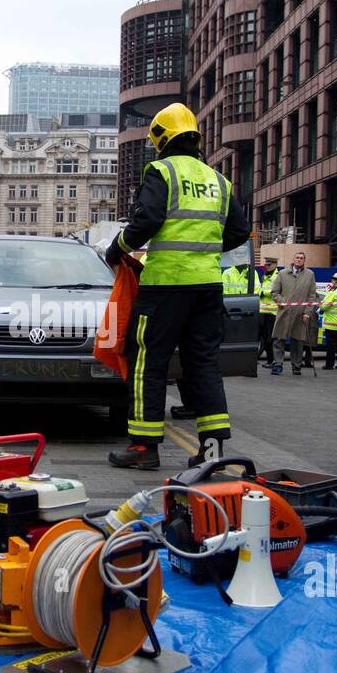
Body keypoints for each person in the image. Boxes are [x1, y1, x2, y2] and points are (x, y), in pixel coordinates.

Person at [104, 102, 248, 470]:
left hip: (165, 285)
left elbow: (146, 219)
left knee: (148, 363)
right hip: (207, 287)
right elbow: (239, 231)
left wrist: (117, 249)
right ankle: (212, 450)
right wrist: (205, 250)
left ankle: (144, 447)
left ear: (161, 138)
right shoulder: (219, 180)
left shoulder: (160, 171)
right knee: (203, 364)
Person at [270, 252, 318, 375]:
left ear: (304, 260)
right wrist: (283, 302)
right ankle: (278, 364)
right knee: (279, 338)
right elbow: (275, 292)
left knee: (298, 340)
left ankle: (296, 365)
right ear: (293, 259)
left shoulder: (310, 275)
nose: (299, 260)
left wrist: (307, 312)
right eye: (297, 258)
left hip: (300, 313)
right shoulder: (283, 273)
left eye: (301, 258)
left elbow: (312, 295)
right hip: (284, 312)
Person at [258, 259, 279, 367]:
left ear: (275, 264)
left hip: (272, 312)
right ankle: (270, 360)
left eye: (269, 264)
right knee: (265, 337)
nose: (267, 266)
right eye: (266, 264)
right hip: (263, 311)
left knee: (270, 338)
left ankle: (272, 361)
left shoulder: (277, 276)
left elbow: (275, 291)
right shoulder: (265, 276)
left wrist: (262, 293)